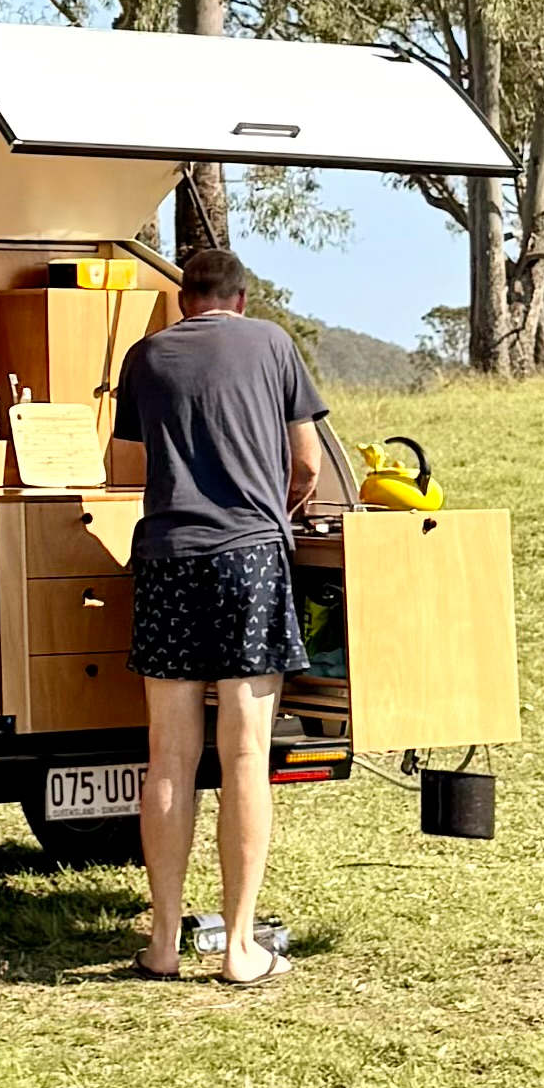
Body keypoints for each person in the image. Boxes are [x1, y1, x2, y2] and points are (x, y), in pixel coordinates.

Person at [104, 230, 329, 989]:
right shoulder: (270, 343)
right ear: (239, 300)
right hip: (248, 559)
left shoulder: (147, 355)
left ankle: (163, 941)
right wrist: (279, 505)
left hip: (167, 557)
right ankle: (237, 947)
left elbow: (120, 466)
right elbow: (307, 461)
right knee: (242, 755)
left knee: (167, 752)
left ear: (181, 302)